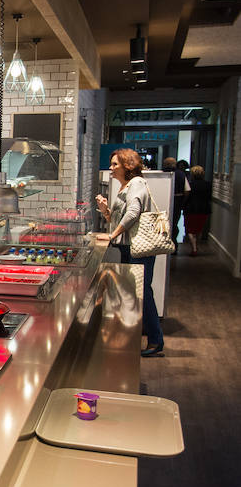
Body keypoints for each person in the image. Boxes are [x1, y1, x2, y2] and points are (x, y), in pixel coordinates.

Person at [96, 148, 164, 357]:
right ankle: (144, 331)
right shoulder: (125, 186)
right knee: (135, 292)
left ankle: (155, 340)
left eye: (115, 164)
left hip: (138, 248)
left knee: (143, 291)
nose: (111, 168)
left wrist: (111, 235)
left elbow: (133, 214)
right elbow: (117, 219)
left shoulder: (137, 184)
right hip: (128, 247)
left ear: (128, 165)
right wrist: (105, 210)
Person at [162, 157, 190, 252]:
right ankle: (174, 245)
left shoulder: (161, 174)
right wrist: (183, 202)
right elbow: (187, 190)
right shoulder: (181, 174)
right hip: (177, 201)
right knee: (174, 224)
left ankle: (163, 244)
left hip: (162, 200)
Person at [183, 165, 212, 256]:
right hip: (203, 209)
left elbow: (187, 196)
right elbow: (209, 197)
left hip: (190, 209)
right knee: (199, 229)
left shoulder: (190, 184)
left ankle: (194, 247)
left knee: (190, 229)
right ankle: (196, 245)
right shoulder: (208, 184)